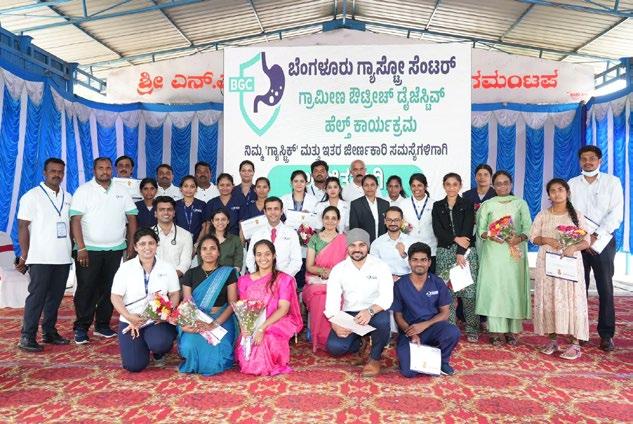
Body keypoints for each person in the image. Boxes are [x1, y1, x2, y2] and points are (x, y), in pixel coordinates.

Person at [70, 157, 138, 344]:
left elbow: (132, 218)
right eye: (101, 168)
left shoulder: (121, 191)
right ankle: (81, 327)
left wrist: (131, 245)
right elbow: (75, 220)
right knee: (86, 289)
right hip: (88, 250)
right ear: (94, 170)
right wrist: (81, 247)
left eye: (108, 168)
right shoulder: (83, 190)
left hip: (115, 249)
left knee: (110, 288)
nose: (105, 171)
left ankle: (102, 325)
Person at [568, 146, 623, 352]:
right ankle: (580, 331)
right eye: (584, 159)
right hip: (578, 241)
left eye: (592, 158)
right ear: (579, 161)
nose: (588, 162)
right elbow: (569, 213)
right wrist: (583, 238)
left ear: (600, 160)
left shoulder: (612, 182)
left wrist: (595, 237)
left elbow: (616, 213)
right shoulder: (572, 184)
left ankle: (606, 334)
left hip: (603, 241)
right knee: (578, 288)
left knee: (605, 288)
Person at [16, 158, 73, 352]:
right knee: (37, 297)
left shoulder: (68, 196)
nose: (57, 175)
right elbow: (22, 227)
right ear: (44, 173)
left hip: (62, 256)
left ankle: (49, 332)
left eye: (60, 171)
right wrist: (25, 255)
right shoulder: (31, 196)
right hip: (40, 256)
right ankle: (27, 336)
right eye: (53, 171)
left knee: (55, 298)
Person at [530, 179, 590, 360]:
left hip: (569, 264)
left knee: (571, 300)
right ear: (548, 195)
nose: (557, 193)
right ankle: (552, 340)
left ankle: (575, 344)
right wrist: (546, 240)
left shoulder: (576, 215)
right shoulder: (543, 215)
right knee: (549, 299)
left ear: (567, 192)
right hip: (547, 264)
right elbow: (533, 237)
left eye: (560, 189)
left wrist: (574, 247)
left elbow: (586, 241)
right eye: (553, 191)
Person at [324, 229, 393, 377]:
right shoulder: (339, 269)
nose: (357, 249)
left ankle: (374, 358)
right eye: (352, 245)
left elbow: (387, 297)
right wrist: (334, 323)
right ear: (347, 247)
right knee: (335, 347)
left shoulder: (381, 266)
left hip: (374, 311)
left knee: (383, 322)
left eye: (362, 245)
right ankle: (361, 342)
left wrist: (370, 311)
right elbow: (332, 301)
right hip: (350, 314)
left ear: (368, 246)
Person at [110, 228, 180, 372]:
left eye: (151, 243)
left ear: (157, 245)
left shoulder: (167, 268)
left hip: (156, 320)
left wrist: (166, 313)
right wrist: (128, 316)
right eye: (142, 244)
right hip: (131, 319)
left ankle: (158, 352)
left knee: (160, 343)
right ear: (135, 247)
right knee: (134, 366)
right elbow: (115, 296)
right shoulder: (125, 268)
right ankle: (141, 345)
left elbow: (174, 293)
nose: (147, 247)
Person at [476, 171, 531, 346]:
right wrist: (491, 235)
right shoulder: (487, 204)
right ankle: (495, 330)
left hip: (514, 253)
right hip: (493, 253)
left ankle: (511, 330)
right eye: (498, 183)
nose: (502, 186)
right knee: (495, 289)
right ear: (493, 185)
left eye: (506, 183)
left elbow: (528, 228)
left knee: (512, 289)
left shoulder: (520, 203)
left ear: (511, 184)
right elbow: (481, 230)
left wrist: (519, 238)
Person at [393, 242, 461, 377]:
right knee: (409, 372)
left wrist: (425, 324)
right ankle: (422, 353)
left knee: (452, 331)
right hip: (409, 331)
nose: (419, 264)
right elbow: (398, 315)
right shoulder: (400, 285)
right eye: (415, 260)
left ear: (429, 262)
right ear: (409, 262)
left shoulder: (437, 282)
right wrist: (412, 333)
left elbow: (445, 313)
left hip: (433, 328)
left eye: (423, 260)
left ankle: (442, 361)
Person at [236, 240, 303, 376]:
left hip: (275, 322)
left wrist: (262, 327)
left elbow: (283, 309)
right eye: (259, 254)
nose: (263, 258)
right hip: (253, 323)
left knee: (266, 341)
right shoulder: (244, 280)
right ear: (254, 257)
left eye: (267, 254)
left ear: (274, 256)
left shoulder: (283, 279)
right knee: (246, 357)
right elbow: (244, 309)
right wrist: (245, 327)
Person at [179, 235, 238, 375]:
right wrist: (192, 323)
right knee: (189, 346)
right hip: (197, 319)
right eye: (204, 249)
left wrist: (214, 324)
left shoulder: (228, 272)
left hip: (221, 318)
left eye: (213, 248)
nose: (208, 252)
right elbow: (187, 305)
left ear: (218, 252)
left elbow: (233, 304)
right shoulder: (190, 274)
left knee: (218, 351)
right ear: (199, 253)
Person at [432, 173, 479, 342]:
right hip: (445, 252)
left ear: (460, 185)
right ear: (444, 186)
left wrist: (460, 251)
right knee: (447, 293)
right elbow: (438, 230)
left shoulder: (467, 204)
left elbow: (467, 228)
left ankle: (472, 327)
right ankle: (450, 327)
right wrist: (454, 238)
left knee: (468, 293)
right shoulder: (437, 205)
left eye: (455, 184)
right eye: (448, 184)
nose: (451, 187)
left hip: (465, 253)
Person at [303, 206, 348, 352]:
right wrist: (323, 271)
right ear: (322, 220)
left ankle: (333, 336)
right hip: (316, 280)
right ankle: (318, 338)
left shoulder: (344, 240)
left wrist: (333, 274)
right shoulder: (314, 239)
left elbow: (347, 266)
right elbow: (309, 266)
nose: (330, 221)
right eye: (327, 218)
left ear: (338, 221)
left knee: (337, 295)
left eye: (334, 218)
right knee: (320, 297)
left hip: (338, 280)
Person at [246, 197, 302, 277]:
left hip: (285, 279)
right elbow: (250, 260)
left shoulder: (292, 233)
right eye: (269, 209)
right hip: (261, 279)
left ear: (281, 211)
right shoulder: (257, 234)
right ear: (265, 212)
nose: (273, 212)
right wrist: (259, 276)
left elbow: (296, 261)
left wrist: (281, 278)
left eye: (276, 209)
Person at [400, 173, 438, 273]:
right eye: (413, 186)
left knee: (429, 279)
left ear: (425, 186)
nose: (416, 188)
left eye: (419, 185)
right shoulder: (403, 204)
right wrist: (408, 228)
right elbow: (402, 228)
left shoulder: (434, 204)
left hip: (431, 249)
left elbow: (438, 227)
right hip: (411, 249)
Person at [152, 196, 192, 278]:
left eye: (169, 209)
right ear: (155, 213)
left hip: (176, 279)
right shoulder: (147, 234)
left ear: (174, 213)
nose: (166, 212)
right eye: (161, 209)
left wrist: (171, 278)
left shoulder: (185, 235)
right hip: (152, 279)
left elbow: (185, 263)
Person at [370, 206, 414, 280]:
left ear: (402, 221)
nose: (393, 223)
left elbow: (415, 266)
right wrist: (387, 277)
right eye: (389, 220)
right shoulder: (377, 243)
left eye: (396, 220)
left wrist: (403, 254)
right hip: (385, 280)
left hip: (407, 280)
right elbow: (373, 267)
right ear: (385, 221)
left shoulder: (411, 241)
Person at [349, 175, 390, 244]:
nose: (369, 188)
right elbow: (354, 229)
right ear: (362, 187)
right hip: (364, 245)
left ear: (377, 186)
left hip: (383, 244)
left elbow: (388, 226)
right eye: (366, 185)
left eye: (372, 185)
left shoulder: (385, 204)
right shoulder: (356, 204)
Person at [175, 175, 208, 243]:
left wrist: (197, 244)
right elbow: (172, 226)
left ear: (196, 189)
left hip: (197, 242)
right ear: (181, 188)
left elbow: (204, 226)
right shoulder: (175, 205)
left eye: (192, 186)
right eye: (186, 186)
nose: (189, 189)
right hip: (179, 242)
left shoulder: (202, 204)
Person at [208, 208, 243, 272]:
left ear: (228, 221)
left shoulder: (236, 240)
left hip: (230, 275)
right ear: (212, 222)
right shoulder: (205, 241)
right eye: (217, 219)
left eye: (223, 219)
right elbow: (202, 265)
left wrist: (226, 275)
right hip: (210, 275)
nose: (220, 222)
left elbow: (238, 265)